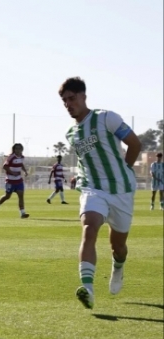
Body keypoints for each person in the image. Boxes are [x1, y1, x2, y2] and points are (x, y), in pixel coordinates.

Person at [60, 77, 141, 309]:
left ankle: (118, 267)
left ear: (84, 96)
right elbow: (87, 160)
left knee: (119, 246)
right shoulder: (71, 134)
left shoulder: (107, 118)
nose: (68, 104)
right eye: (64, 101)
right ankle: (88, 288)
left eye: (72, 98)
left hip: (121, 191)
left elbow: (135, 145)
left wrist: (124, 169)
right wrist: (79, 175)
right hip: (93, 189)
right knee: (89, 227)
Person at [0, 143, 30, 218]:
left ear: (22, 149)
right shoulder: (11, 157)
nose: (18, 150)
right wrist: (12, 173)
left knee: (21, 196)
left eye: (19, 148)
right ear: (14, 149)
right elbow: (5, 166)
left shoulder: (22, 157)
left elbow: (21, 164)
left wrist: (25, 171)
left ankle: (22, 213)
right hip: (10, 180)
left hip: (19, 180)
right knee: (7, 196)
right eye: (16, 148)